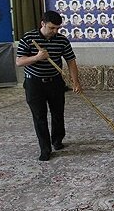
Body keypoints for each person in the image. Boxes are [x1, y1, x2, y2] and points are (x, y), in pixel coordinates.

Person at [16, 11, 82, 161]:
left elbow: (71, 61)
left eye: (57, 28)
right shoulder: (28, 38)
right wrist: (37, 57)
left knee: (58, 114)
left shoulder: (62, 40)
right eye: (52, 28)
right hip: (34, 83)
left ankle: (57, 141)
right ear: (43, 24)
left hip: (55, 82)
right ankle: (45, 149)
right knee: (40, 116)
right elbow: (19, 61)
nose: (55, 31)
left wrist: (75, 81)